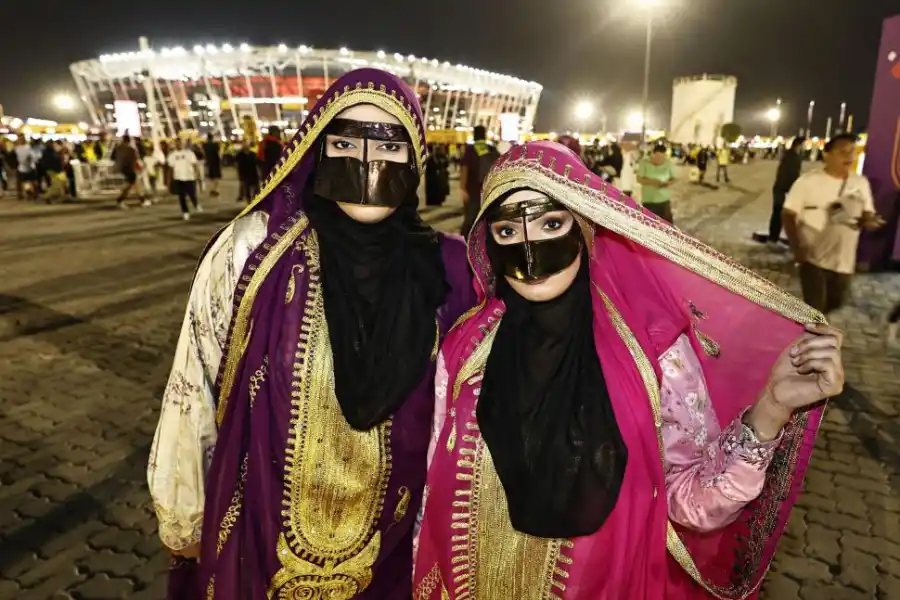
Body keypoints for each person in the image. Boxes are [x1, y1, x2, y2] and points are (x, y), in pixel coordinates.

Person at [413, 141, 844, 599]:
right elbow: (434, 490)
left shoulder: (652, 353)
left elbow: (691, 504)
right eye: (507, 231)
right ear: (488, 239)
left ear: (585, 225)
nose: (531, 251)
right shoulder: (467, 347)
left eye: (551, 223)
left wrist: (771, 410)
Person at [148, 68, 476, 600]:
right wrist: (183, 512)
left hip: (399, 552)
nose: (366, 163)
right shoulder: (254, 251)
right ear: (317, 150)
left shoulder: (452, 269)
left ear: (415, 157)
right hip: (262, 539)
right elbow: (195, 385)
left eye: (389, 145)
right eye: (345, 143)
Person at [782, 134, 885, 315]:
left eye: (852, 152)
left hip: (844, 258)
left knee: (836, 302)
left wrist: (869, 221)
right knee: (816, 307)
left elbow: (867, 212)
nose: (849, 156)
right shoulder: (807, 182)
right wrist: (797, 246)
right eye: (842, 152)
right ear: (827, 155)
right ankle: (812, 329)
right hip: (813, 256)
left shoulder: (860, 183)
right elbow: (788, 214)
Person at [754, 137, 806, 246]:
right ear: (798, 145)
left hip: (786, 188)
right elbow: (787, 174)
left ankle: (777, 236)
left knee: (783, 213)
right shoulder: (791, 156)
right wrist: (789, 189)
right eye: (803, 145)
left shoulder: (795, 155)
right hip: (782, 189)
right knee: (778, 213)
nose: (805, 147)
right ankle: (773, 237)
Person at [459, 125, 500, 237]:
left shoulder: (470, 149)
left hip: (472, 190)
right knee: (486, 218)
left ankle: (466, 241)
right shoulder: (491, 149)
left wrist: (462, 188)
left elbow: (465, 169)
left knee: (470, 219)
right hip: (488, 190)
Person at [636, 143, 676, 222]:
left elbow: (673, 178)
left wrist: (668, 183)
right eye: (657, 156)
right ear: (653, 154)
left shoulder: (668, 163)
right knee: (649, 223)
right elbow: (639, 179)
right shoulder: (644, 162)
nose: (659, 159)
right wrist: (653, 182)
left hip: (664, 199)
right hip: (649, 200)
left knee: (666, 224)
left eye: (662, 157)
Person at [166, 138, 202, 220]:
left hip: (189, 177)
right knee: (181, 196)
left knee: (192, 194)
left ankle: (196, 205)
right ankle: (185, 212)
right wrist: (169, 181)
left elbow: (194, 165)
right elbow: (170, 169)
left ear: (183, 144)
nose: (178, 144)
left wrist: (197, 175)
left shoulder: (189, 153)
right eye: (177, 143)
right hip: (178, 178)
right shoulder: (172, 155)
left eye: (180, 143)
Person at [114, 135, 149, 209]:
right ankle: (142, 200)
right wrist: (137, 167)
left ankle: (121, 200)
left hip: (123, 169)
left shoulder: (118, 148)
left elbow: (114, 158)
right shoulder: (130, 149)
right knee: (134, 185)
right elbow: (134, 159)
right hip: (130, 169)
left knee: (132, 185)